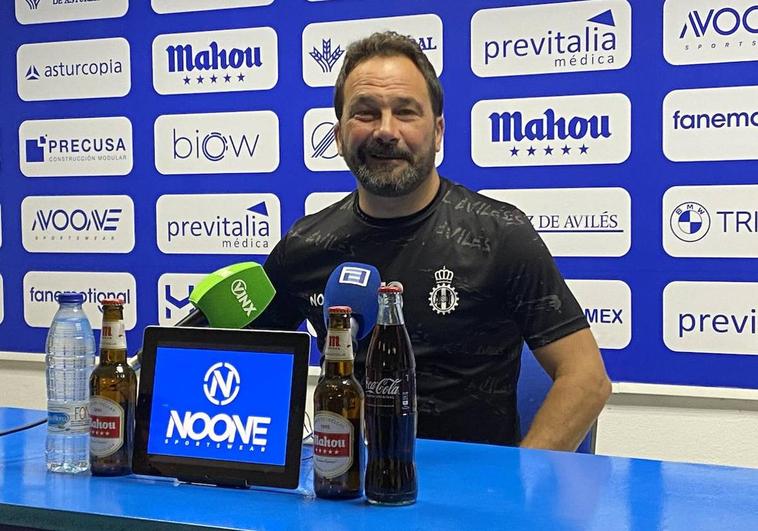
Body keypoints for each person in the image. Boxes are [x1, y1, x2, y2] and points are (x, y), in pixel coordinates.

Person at [257, 31, 611, 451]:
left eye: (405, 112)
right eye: (365, 113)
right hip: (347, 490)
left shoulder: (501, 235)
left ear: (438, 131)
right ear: (338, 135)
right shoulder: (305, 246)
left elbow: (587, 379)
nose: (386, 131)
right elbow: (245, 363)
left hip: (475, 503)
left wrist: (519, 489)